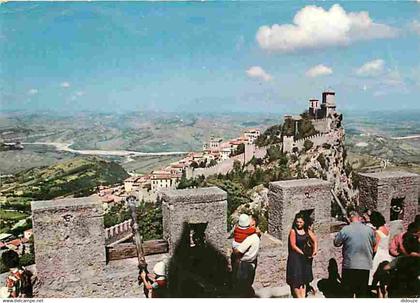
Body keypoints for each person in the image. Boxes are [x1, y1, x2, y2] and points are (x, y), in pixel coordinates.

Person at [334, 210, 376, 298]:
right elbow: (373, 243)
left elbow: (336, 243)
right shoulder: (369, 230)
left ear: (349, 218)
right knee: (361, 293)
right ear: (359, 218)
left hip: (350, 265)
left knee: (348, 293)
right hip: (365, 265)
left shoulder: (346, 229)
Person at [286, 212, 317, 298]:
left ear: (304, 222)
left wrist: (315, 250)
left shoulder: (307, 230)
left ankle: (303, 297)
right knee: (296, 279)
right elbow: (293, 245)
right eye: (297, 222)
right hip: (296, 257)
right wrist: (302, 253)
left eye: (300, 222)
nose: (298, 224)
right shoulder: (293, 231)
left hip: (305, 258)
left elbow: (314, 239)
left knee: (303, 279)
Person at [232, 214, 261, 298]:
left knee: (243, 287)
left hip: (244, 264)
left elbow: (238, 252)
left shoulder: (250, 238)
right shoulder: (256, 236)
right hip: (252, 262)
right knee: (248, 284)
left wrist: (234, 249)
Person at [369, 211, 393, 285]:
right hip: (386, 254)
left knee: (376, 277)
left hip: (379, 255)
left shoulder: (378, 232)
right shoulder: (386, 229)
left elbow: (375, 248)